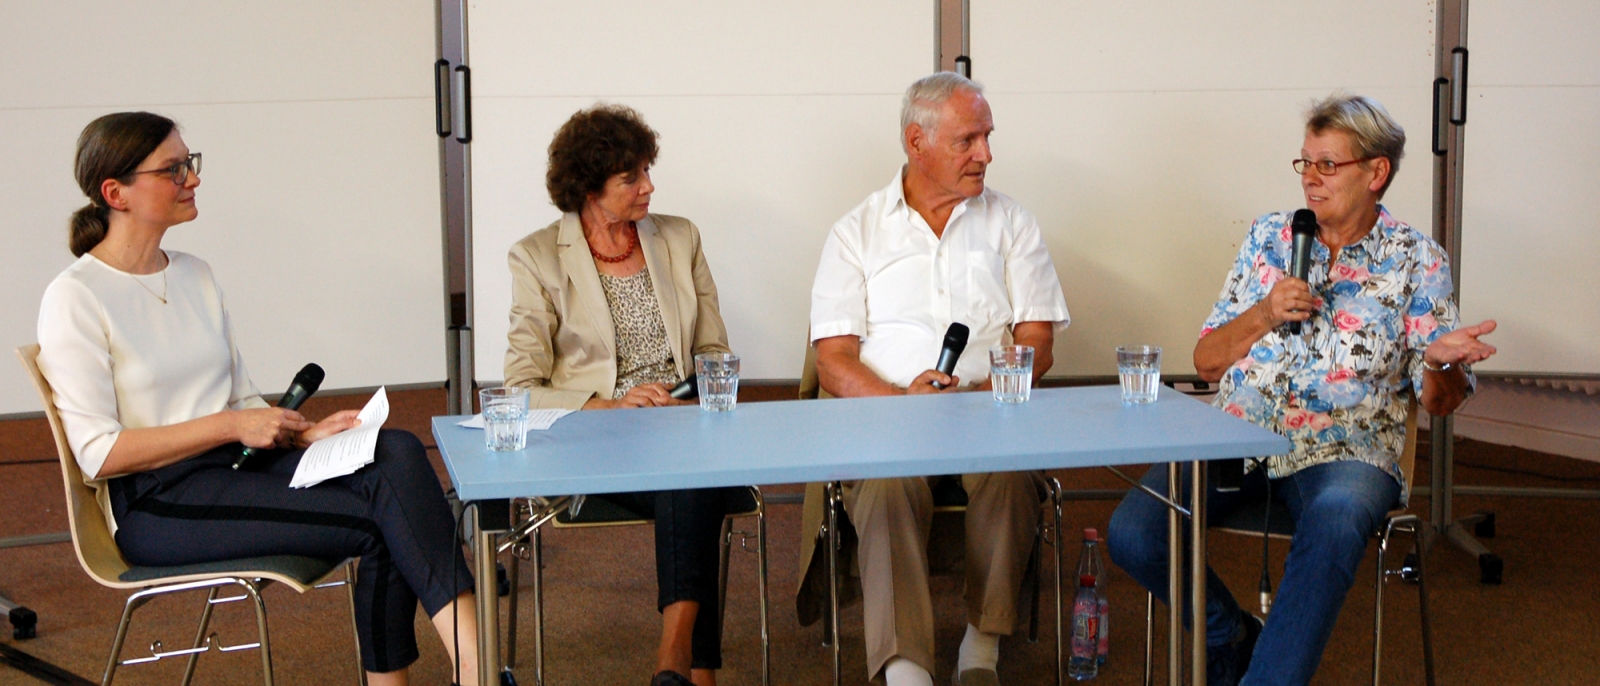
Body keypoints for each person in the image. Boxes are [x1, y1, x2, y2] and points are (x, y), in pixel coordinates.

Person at [36, 112, 482, 685]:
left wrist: (302, 434)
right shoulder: (75, 296)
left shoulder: (194, 274)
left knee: (394, 450)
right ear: (115, 193)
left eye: (190, 164)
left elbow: (241, 400)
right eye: (174, 169)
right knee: (384, 518)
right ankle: (478, 670)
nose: (193, 178)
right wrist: (230, 427)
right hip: (158, 502)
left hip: (237, 467)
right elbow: (98, 454)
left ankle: (474, 668)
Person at [1106, 94, 1498, 686]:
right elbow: (1207, 362)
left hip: (1348, 447)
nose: (1310, 179)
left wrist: (1441, 363)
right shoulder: (1270, 236)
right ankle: (1230, 636)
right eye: (1305, 163)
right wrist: (1264, 313)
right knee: (1134, 533)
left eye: (1327, 165)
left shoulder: (1417, 259)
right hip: (1238, 433)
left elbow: (1440, 402)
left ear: (1376, 172)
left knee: (1336, 522)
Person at [801, 72, 1072, 686]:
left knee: (1010, 475)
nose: (986, 154)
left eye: (988, 137)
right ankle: (906, 670)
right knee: (886, 485)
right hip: (889, 418)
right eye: (967, 140)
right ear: (916, 142)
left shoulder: (1012, 222)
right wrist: (903, 403)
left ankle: (981, 648)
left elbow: (1038, 344)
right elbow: (834, 360)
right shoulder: (856, 231)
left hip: (989, 411)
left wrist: (981, 398)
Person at [502, 104, 739, 686]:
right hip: (598, 439)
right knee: (693, 476)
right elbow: (520, 388)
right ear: (589, 189)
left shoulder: (679, 237)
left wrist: (693, 396)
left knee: (689, 467)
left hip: (682, 424)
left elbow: (714, 352)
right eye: (631, 178)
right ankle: (691, 670)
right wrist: (609, 406)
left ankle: (673, 663)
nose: (649, 186)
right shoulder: (536, 257)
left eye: (647, 171)